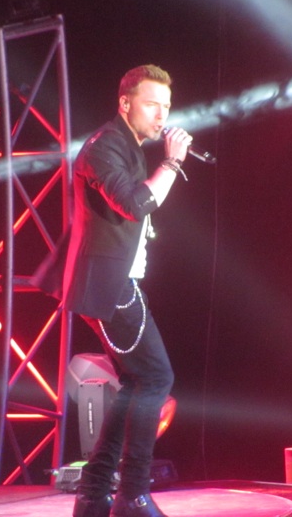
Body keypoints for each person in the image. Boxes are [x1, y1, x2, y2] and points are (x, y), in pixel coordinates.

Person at [34, 65, 191, 517]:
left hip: (114, 282)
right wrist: (172, 163)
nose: (161, 115)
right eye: (151, 104)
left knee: (138, 382)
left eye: (166, 106)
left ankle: (94, 494)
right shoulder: (104, 147)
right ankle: (132, 495)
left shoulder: (127, 147)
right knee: (156, 378)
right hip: (110, 285)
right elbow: (135, 204)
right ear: (125, 104)